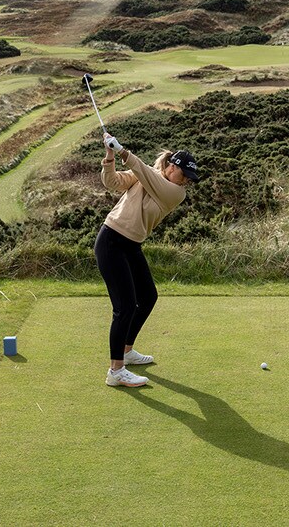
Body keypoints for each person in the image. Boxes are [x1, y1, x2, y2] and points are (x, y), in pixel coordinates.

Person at [96, 132, 200, 388]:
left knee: (148, 297)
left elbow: (145, 173)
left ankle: (127, 351)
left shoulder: (175, 193)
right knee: (126, 307)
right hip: (111, 241)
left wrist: (125, 153)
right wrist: (110, 156)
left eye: (189, 179)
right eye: (184, 175)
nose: (186, 181)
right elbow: (111, 182)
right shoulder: (147, 176)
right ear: (172, 167)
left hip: (131, 245)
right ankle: (116, 370)